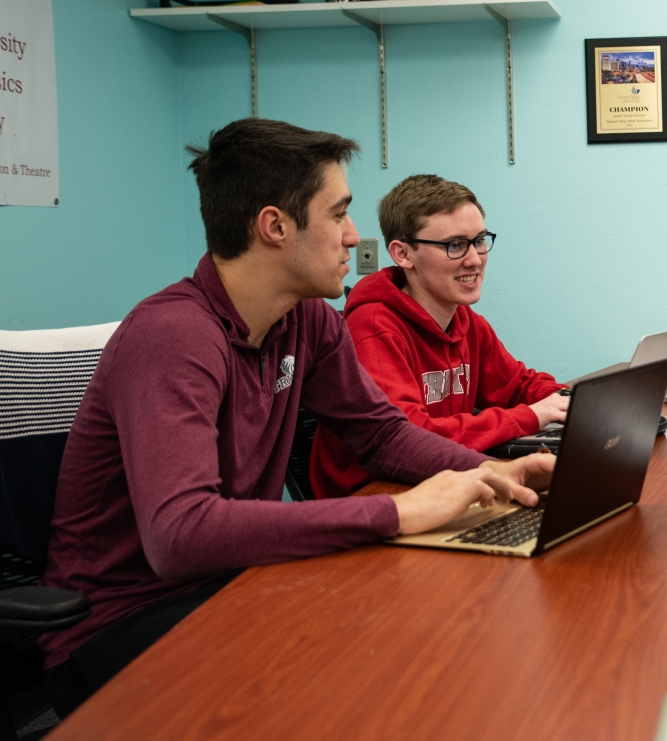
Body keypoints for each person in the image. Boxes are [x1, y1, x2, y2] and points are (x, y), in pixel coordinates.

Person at [39, 119, 552, 716]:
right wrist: (395, 511)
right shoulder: (173, 337)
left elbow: (383, 436)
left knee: (424, 635)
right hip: (122, 624)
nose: (352, 236)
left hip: (233, 584)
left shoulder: (306, 323)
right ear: (274, 226)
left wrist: (493, 473)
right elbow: (179, 537)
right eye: (338, 214)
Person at [310, 174, 569, 498]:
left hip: (440, 481)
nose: (474, 259)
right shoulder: (374, 329)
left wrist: (571, 401)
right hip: (376, 497)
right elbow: (408, 439)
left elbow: (518, 386)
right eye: (455, 245)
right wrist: (530, 416)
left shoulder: (464, 319)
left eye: (479, 240)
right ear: (403, 254)